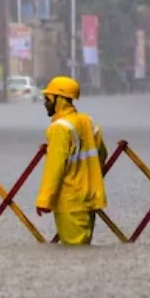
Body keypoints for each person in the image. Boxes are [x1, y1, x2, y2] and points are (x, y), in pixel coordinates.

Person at [34, 76, 108, 245]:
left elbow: (55, 168)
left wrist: (44, 200)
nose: (45, 103)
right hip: (89, 197)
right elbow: (102, 154)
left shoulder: (60, 128)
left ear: (59, 100)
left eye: (47, 99)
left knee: (75, 253)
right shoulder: (88, 122)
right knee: (84, 250)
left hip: (70, 201)